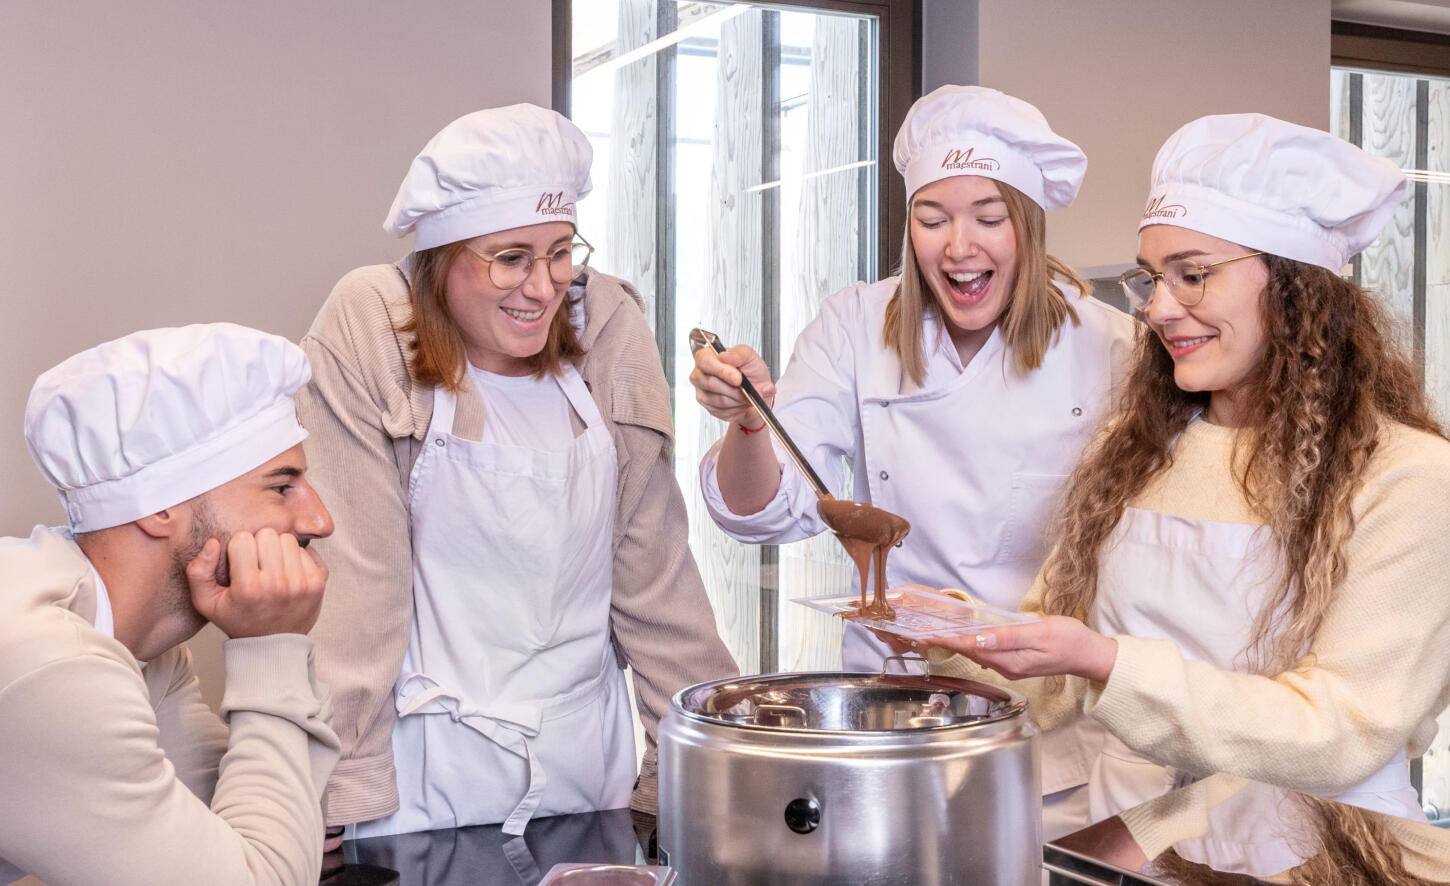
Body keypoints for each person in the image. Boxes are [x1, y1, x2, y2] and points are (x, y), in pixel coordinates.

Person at [930, 113, 1450, 839]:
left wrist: (1110, 664)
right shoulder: (1137, 450)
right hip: (1130, 834)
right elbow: (1058, 683)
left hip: (1315, 848)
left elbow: (1341, 730)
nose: (1160, 310)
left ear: (1297, 289)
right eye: (1153, 280)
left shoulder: (1409, 477)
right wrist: (953, 635)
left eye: (1193, 275)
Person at [689, 85, 1133, 828]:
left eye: (989, 219)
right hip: (890, 721)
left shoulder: (1109, 346)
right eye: (933, 219)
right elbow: (765, 513)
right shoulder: (857, 325)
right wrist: (748, 424)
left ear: (1027, 225)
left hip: (1049, 743)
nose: (960, 247)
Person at [297, 104, 738, 839]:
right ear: (442, 260)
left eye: (561, 251)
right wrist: (338, 801)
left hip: (585, 778)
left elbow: (656, 581)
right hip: (421, 783)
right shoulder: (373, 326)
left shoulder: (603, 328)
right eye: (510, 257)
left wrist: (695, 769)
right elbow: (357, 590)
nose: (542, 287)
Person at [0, 324, 340, 886]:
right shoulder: (53, 666)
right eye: (282, 487)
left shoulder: (138, 649)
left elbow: (259, 834)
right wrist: (272, 649)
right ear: (159, 505)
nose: (318, 521)